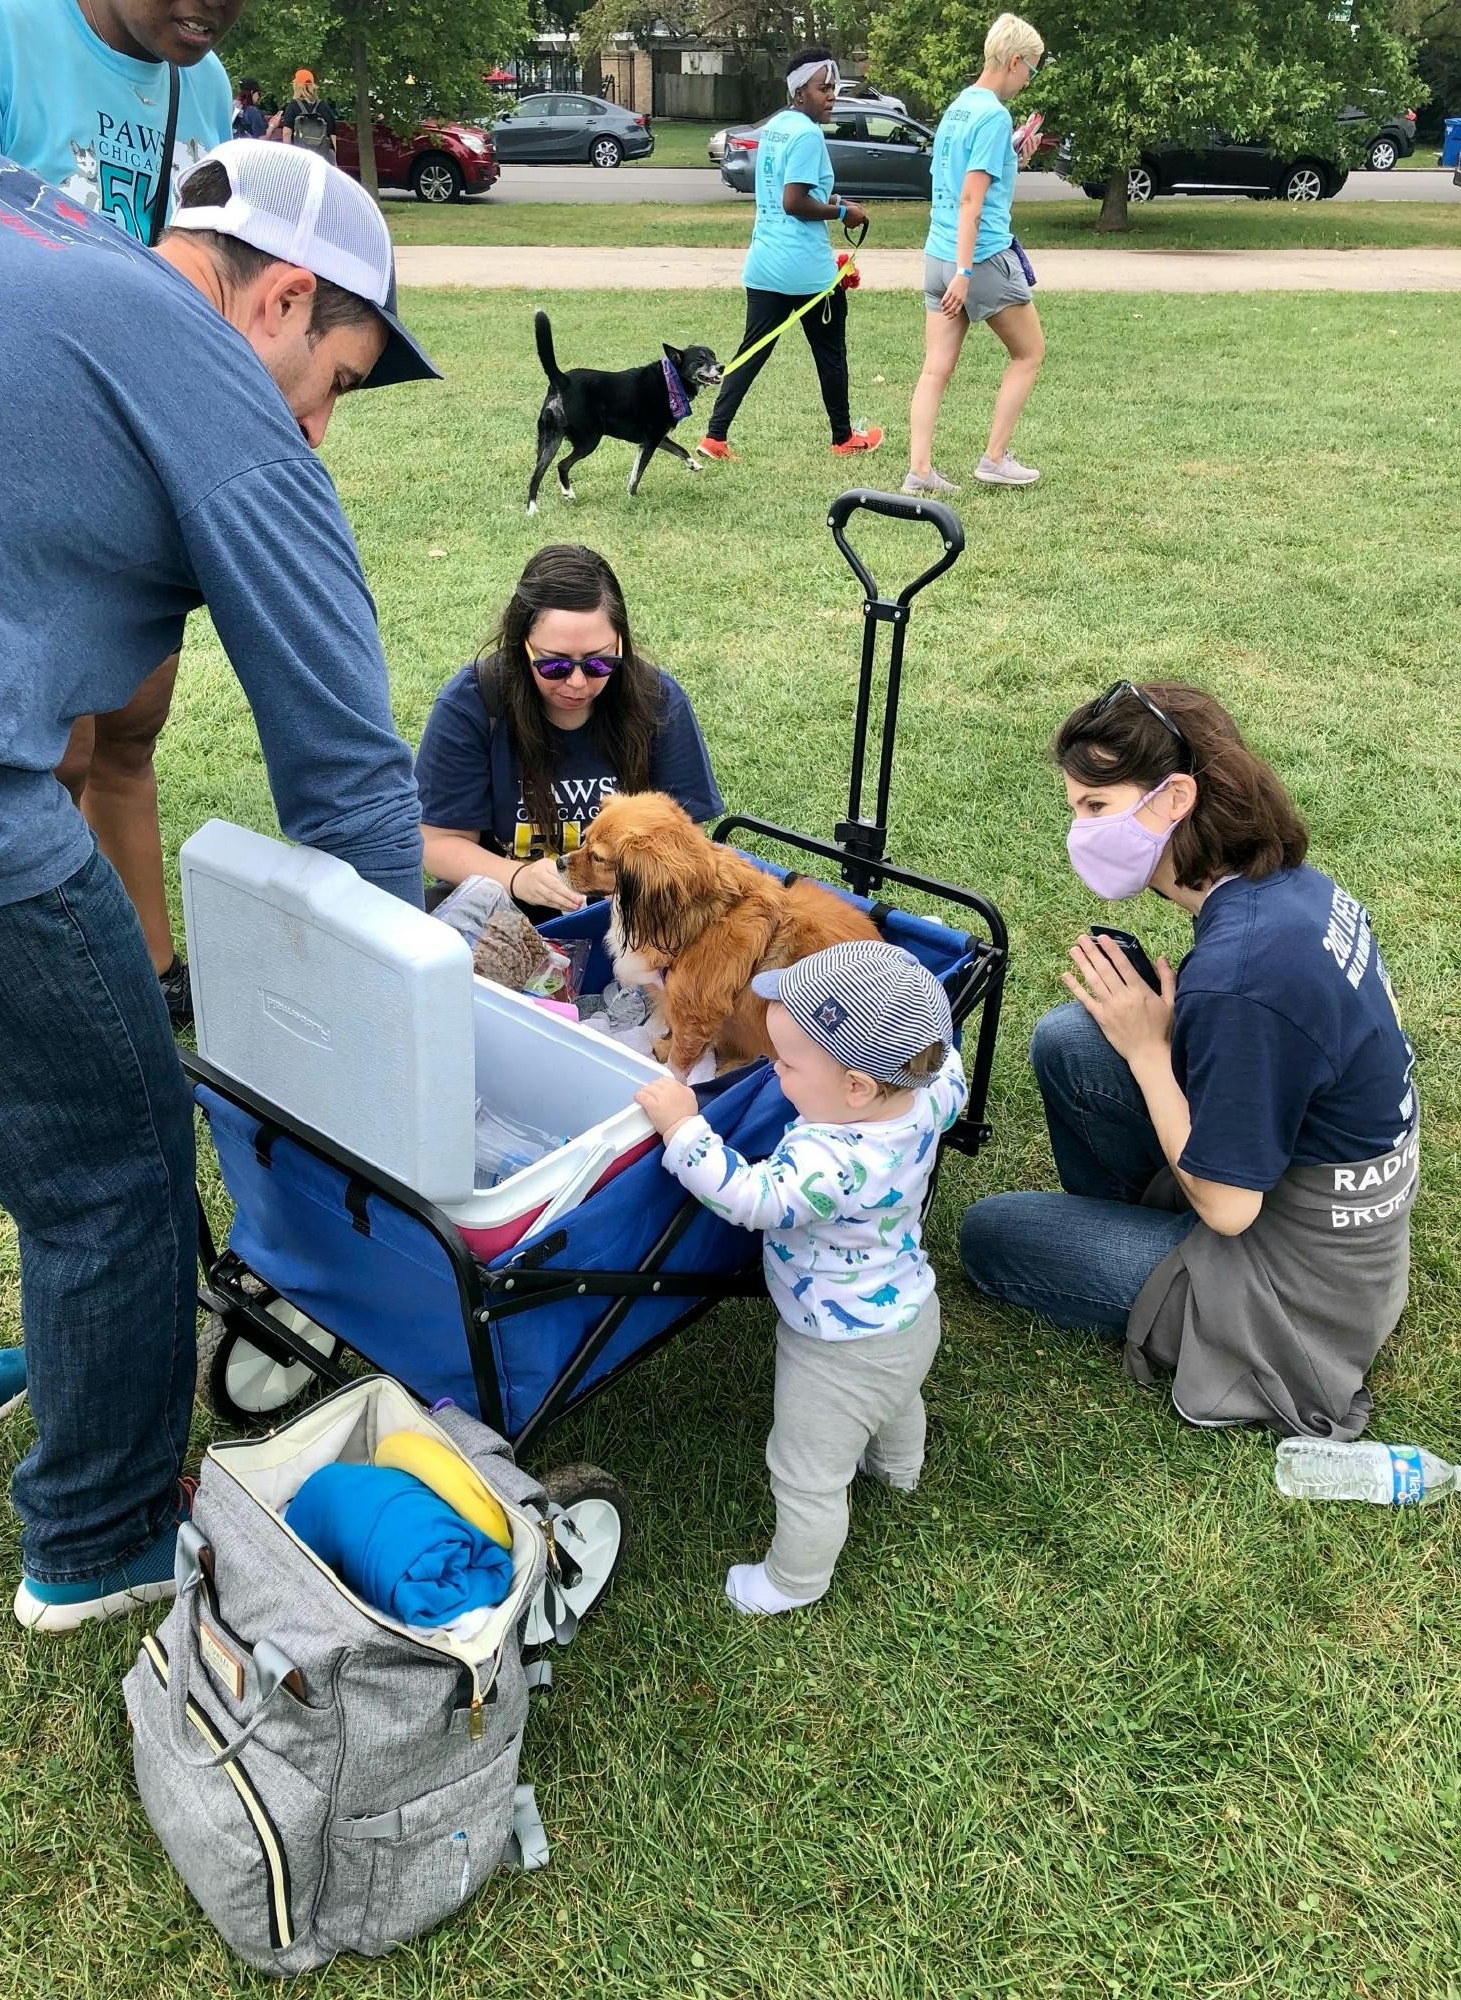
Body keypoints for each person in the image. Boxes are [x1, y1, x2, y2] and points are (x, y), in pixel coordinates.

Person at [0, 137, 440, 1629]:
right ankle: (100, 1537)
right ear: (281, 301)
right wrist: (412, 1041)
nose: (322, 431)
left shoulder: (28, 221)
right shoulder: (229, 397)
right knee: (118, 1155)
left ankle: (44, 1377)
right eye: (341, 384)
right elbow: (352, 780)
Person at [961, 682, 1419, 1438]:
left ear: (1175, 800)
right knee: (1073, 1040)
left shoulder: (1243, 975)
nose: (1079, 831)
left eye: (1095, 808)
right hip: (1345, 1233)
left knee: (992, 1236)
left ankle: (1169, 1277)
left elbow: (1230, 1210)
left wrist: (1150, 1049)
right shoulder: (1282, 890)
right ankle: (1133, 1233)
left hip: (1295, 1289)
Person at [0, 0, 241, 1027]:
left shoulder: (199, 79)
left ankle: (148, 968)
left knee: (128, 729)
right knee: (44, 754)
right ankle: (45, 996)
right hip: (16, 465)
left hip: (140, 452)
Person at [636, 943, 968, 1613]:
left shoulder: (829, 1157)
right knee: (897, 1398)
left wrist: (683, 1130)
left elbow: (753, 1199)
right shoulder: (933, 1095)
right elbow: (949, 1061)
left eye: (786, 1063)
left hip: (834, 1349)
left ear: (857, 1088)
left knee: (807, 1473)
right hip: (909, 1315)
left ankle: (793, 1581)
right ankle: (899, 1470)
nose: (773, 1068)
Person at [415, 545, 723, 921]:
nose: (578, 682)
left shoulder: (655, 700)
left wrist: (633, 892)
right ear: (521, 647)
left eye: (599, 662)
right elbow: (438, 842)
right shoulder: (474, 702)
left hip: (627, 915)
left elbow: (686, 835)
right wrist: (519, 877)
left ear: (621, 643)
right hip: (503, 904)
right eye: (554, 665)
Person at [697, 48, 881, 464]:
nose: (831, 95)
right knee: (830, 352)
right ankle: (843, 437)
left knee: (752, 351)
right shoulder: (807, 134)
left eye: (833, 86)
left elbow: (794, 190)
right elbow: (794, 201)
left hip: (764, 263)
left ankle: (714, 437)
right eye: (822, 88)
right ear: (800, 92)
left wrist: (833, 199)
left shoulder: (778, 127)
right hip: (806, 269)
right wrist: (841, 212)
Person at [904, 12, 1046, 494]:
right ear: (1013, 60)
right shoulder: (992, 115)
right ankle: (994, 458)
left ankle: (919, 471)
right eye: (1032, 68)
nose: (1030, 78)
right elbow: (971, 198)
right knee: (1029, 353)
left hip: (936, 256)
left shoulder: (960, 107)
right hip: (978, 257)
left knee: (934, 368)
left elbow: (961, 177)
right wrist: (966, 272)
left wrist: (1012, 154)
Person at [280, 68, 339, 160]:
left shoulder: (293, 106)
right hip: (322, 157)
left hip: (299, 157)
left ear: (297, 86)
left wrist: (287, 156)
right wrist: (334, 158)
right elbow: (332, 134)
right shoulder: (324, 107)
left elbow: (287, 132)